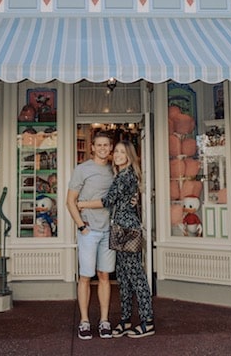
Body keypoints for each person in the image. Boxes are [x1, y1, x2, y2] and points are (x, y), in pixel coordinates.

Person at [77, 140, 155, 338]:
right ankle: (126, 320)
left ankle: (148, 321)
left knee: (136, 276)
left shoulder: (125, 176)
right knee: (123, 277)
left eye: (123, 152)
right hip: (118, 229)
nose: (119, 154)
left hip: (128, 230)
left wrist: (82, 204)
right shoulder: (119, 174)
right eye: (117, 151)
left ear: (129, 155)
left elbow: (107, 201)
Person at [66, 132, 115, 340]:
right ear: (92, 147)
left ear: (111, 148)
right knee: (86, 276)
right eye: (99, 145)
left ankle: (104, 320)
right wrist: (81, 227)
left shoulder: (115, 169)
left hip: (108, 230)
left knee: (104, 276)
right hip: (89, 231)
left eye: (106, 145)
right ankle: (84, 321)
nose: (103, 148)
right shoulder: (82, 169)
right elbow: (70, 201)